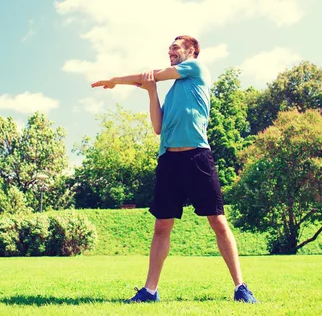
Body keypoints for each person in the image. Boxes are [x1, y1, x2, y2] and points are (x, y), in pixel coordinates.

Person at [91, 35, 258, 303]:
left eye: (175, 47)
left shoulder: (195, 69)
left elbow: (155, 74)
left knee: (217, 221)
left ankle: (241, 288)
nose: (170, 51)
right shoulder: (172, 94)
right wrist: (150, 91)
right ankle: (149, 291)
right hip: (169, 161)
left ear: (191, 51)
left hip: (198, 157)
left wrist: (115, 79)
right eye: (169, 48)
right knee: (161, 227)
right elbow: (158, 127)